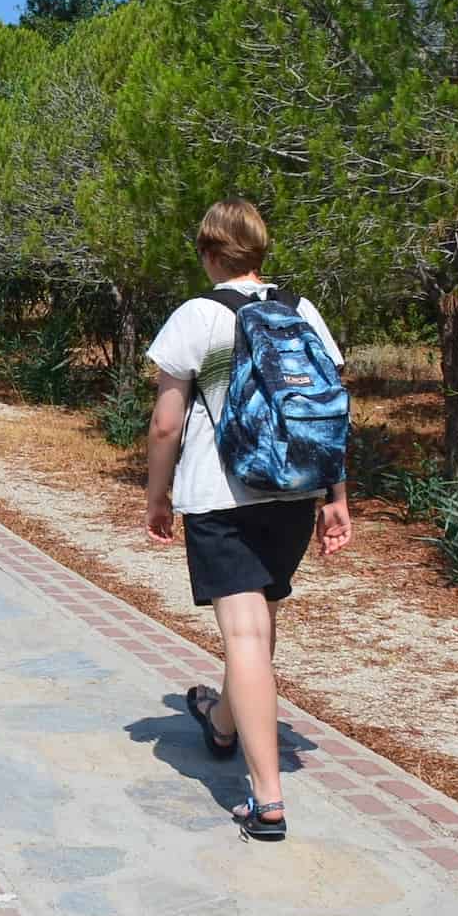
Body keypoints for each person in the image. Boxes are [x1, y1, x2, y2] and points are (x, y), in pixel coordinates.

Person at [142, 198, 351, 842]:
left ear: (208, 253)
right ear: (261, 250)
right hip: (292, 491)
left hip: (221, 493)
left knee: (246, 637)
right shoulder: (300, 310)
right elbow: (328, 408)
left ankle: (267, 801)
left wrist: (158, 496)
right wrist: (337, 495)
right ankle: (224, 724)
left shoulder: (197, 316)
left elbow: (166, 423)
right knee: (260, 629)